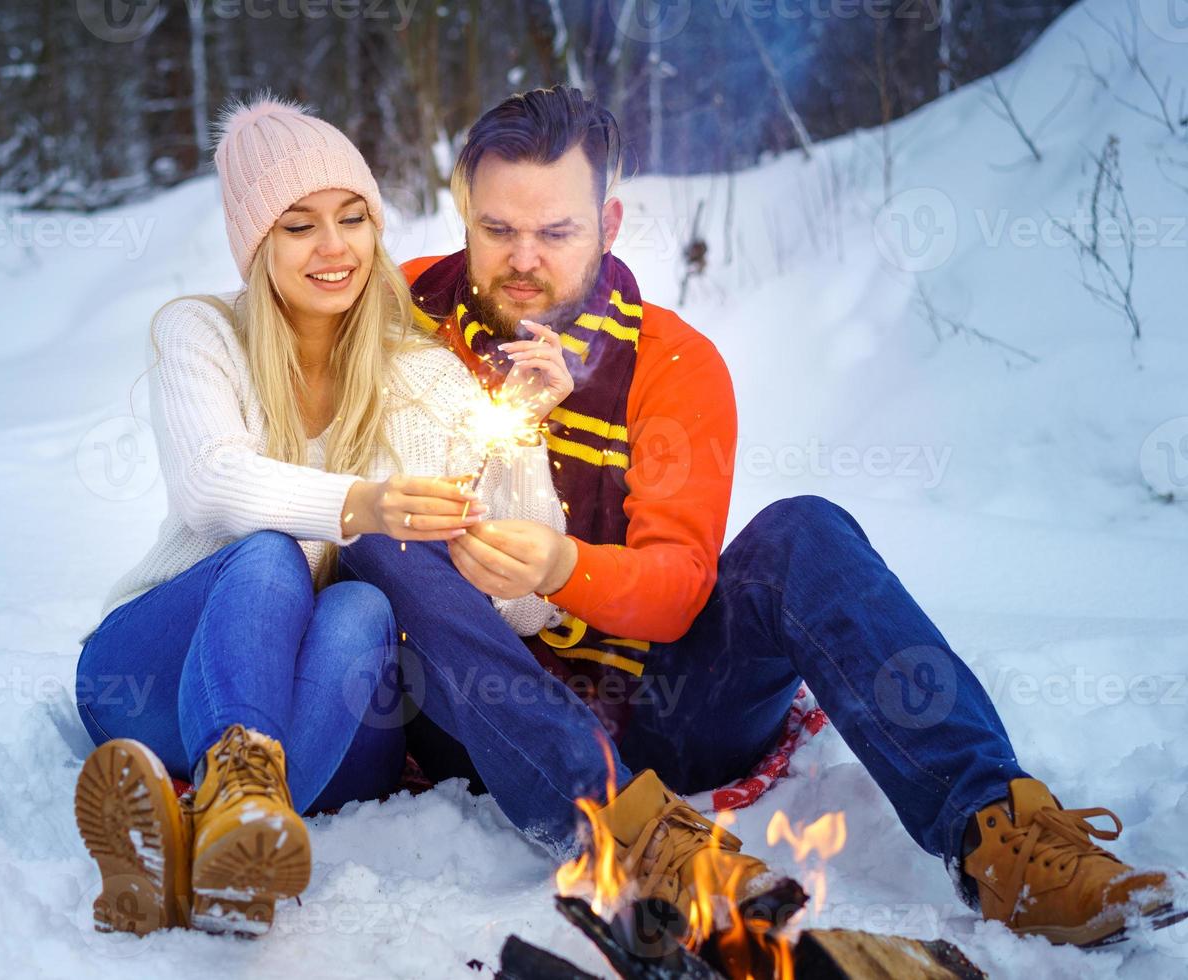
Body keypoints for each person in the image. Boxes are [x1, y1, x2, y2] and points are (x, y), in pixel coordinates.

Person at [339, 85, 1183, 948]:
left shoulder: (670, 362)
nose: (523, 259)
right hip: (477, 713)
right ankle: (627, 839)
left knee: (804, 533)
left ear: (611, 222)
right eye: (497, 230)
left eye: (556, 232)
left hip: (665, 708)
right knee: (375, 531)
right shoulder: (399, 316)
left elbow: (675, 591)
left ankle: (1005, 838)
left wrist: (564, 568)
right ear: (463, 216)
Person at [71, 97, 571, 940]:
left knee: (367, 602)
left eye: (352, 218)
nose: (334, 247)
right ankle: (235, 798)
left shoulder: (423, 378)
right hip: (161, 669)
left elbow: (526, 610)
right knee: (269, 555)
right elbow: (210, 485)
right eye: (299, 225)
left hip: (337, 708)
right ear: (256, 243)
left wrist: (522, 435)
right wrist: (360, 505)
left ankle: (212, 840)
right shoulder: (202, 335)